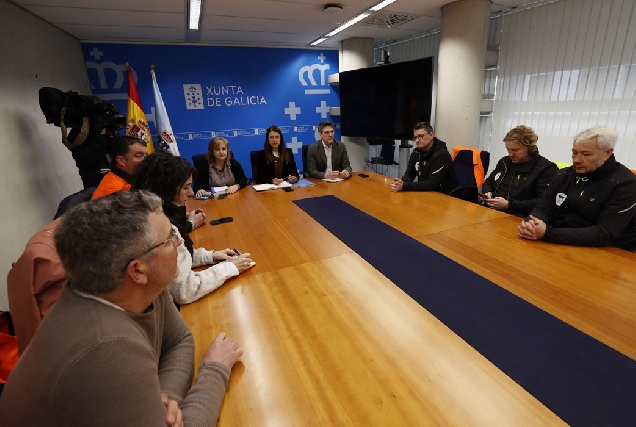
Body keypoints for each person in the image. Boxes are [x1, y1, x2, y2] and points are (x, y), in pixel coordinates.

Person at [0, 190, 243, 426]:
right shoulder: (106, 350)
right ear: (138, 270)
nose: (180, 241)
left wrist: (165, 404)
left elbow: (179, 341)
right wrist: (215, 368)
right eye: (170, 239)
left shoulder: (138, 287)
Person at [132, 152, 253, 304]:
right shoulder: (160, 227)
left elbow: (176, 256)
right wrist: (230, 268)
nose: (190, 193)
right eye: (185, 188)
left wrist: (210, 256)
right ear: (165, 189)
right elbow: (185, 290)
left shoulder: (149, 211)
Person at [518, 125, 636, 250]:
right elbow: (543, 209)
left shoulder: (626, 184)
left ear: (607, 153)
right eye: (574, 153)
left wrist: (547, 233)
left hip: (609, 251)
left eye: (586, 154)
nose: (577, 160)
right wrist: (531, 225)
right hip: (561, 241)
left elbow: (603, 233)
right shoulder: (563, 175)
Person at [481, 125, 558, 217]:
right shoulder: (505, 162)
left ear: (529, 147)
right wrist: (488, 192)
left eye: (515, 150)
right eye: (508, 150)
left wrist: (509, 205)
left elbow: (544, 202)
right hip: (492, 210)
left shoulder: (546, 168)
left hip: (519, 216)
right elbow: (489, 182)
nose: (511, 154)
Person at [391, 122, 457, 193]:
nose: (417, 140)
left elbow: (432, 184)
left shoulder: (442, 155)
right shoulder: (416, 153)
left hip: (443, 194)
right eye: (415, 137)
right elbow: (409, 175)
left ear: (431, 135)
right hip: (425, 191)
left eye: (421, 136)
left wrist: (404, 186)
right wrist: (400, 183)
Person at [91, 135, 148, 199]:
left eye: (146, 156)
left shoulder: (134, 179)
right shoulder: (113, 191)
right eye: (138, 156)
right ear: (121, 160)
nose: (146, 160)